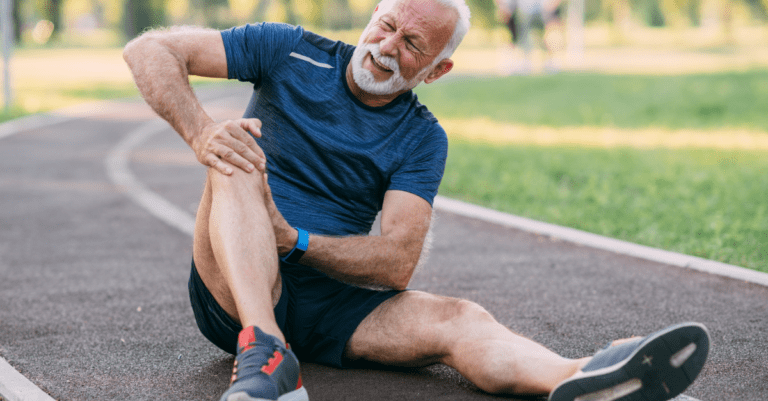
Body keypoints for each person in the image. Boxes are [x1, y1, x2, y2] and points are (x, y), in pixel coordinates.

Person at [123, 0, 711, 400]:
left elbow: (396, 262)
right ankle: (265, 350)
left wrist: (292, 239)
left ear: (436, 69)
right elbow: (147, 53)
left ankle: (587, 376)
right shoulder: (287, 50)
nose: (385, 46)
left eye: (411, 44)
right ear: (373, 13)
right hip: (233, 288)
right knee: (235, 155)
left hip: (333, 304)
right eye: (386, 25)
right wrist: (201, 132)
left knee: (460, 318)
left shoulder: (422, 138)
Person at [496, 0, 564, 74]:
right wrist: (504, 7)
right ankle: (524, 61)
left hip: (544, 9)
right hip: (524, 11)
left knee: (550, 32)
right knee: (522, 34)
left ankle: (551, 61)